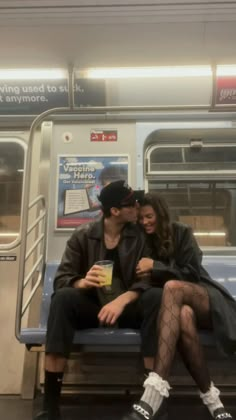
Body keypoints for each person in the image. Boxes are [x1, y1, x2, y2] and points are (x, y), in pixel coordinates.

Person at [34, 181, 163, 420]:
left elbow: (148, 281)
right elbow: (62, 278)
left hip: (128, 308)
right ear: (115, 211)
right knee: (63, 298)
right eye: (131, 203)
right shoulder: (83, 235)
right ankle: (50, 406)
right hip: (93, 307)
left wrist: (122, 300)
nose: (137, 207)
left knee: (156, 296)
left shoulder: (140, 237)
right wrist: (82, 282)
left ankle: (151, 402)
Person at [122, 192, 236, 420]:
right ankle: (214, 402)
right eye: (141, 219)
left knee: (173, 287)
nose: (145, 222)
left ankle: (153, 392)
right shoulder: (144, 241)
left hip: (203, 296)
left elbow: (191, 272)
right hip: (179, 307)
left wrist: (156, 267)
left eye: (149, 216)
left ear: (160, 214)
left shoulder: (182, 232)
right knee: (183, 315)